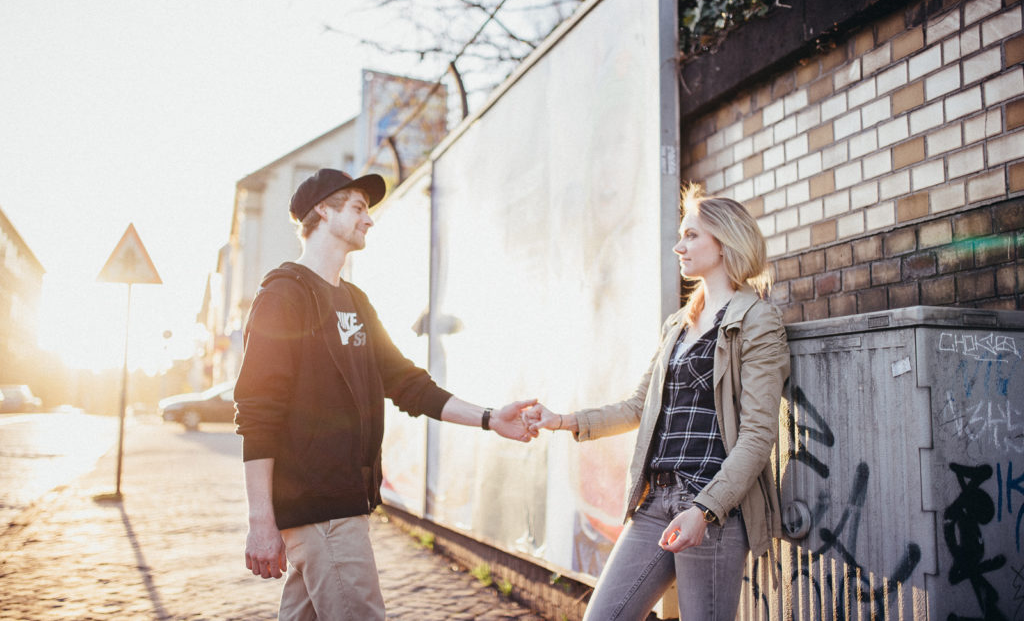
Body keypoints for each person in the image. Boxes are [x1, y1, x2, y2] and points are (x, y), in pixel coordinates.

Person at [233, 168, 537, 621]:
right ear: (322, 210)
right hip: (322, 510)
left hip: (344, 506)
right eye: (358, 208)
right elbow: (258, 414)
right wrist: (261, 521)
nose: (368, 220)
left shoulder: (355, 301)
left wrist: (490, 418)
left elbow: (407, 383)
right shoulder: (283, 296)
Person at [526, 184, 790, 620]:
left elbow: (758, 437)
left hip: (713, 508)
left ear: (724, 243)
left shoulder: (757, 320)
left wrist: (704, 511)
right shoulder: (678, 325)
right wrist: (561, 420)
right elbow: (637, 406)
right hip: (655, 499)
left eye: (691, 236)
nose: (678, 246)